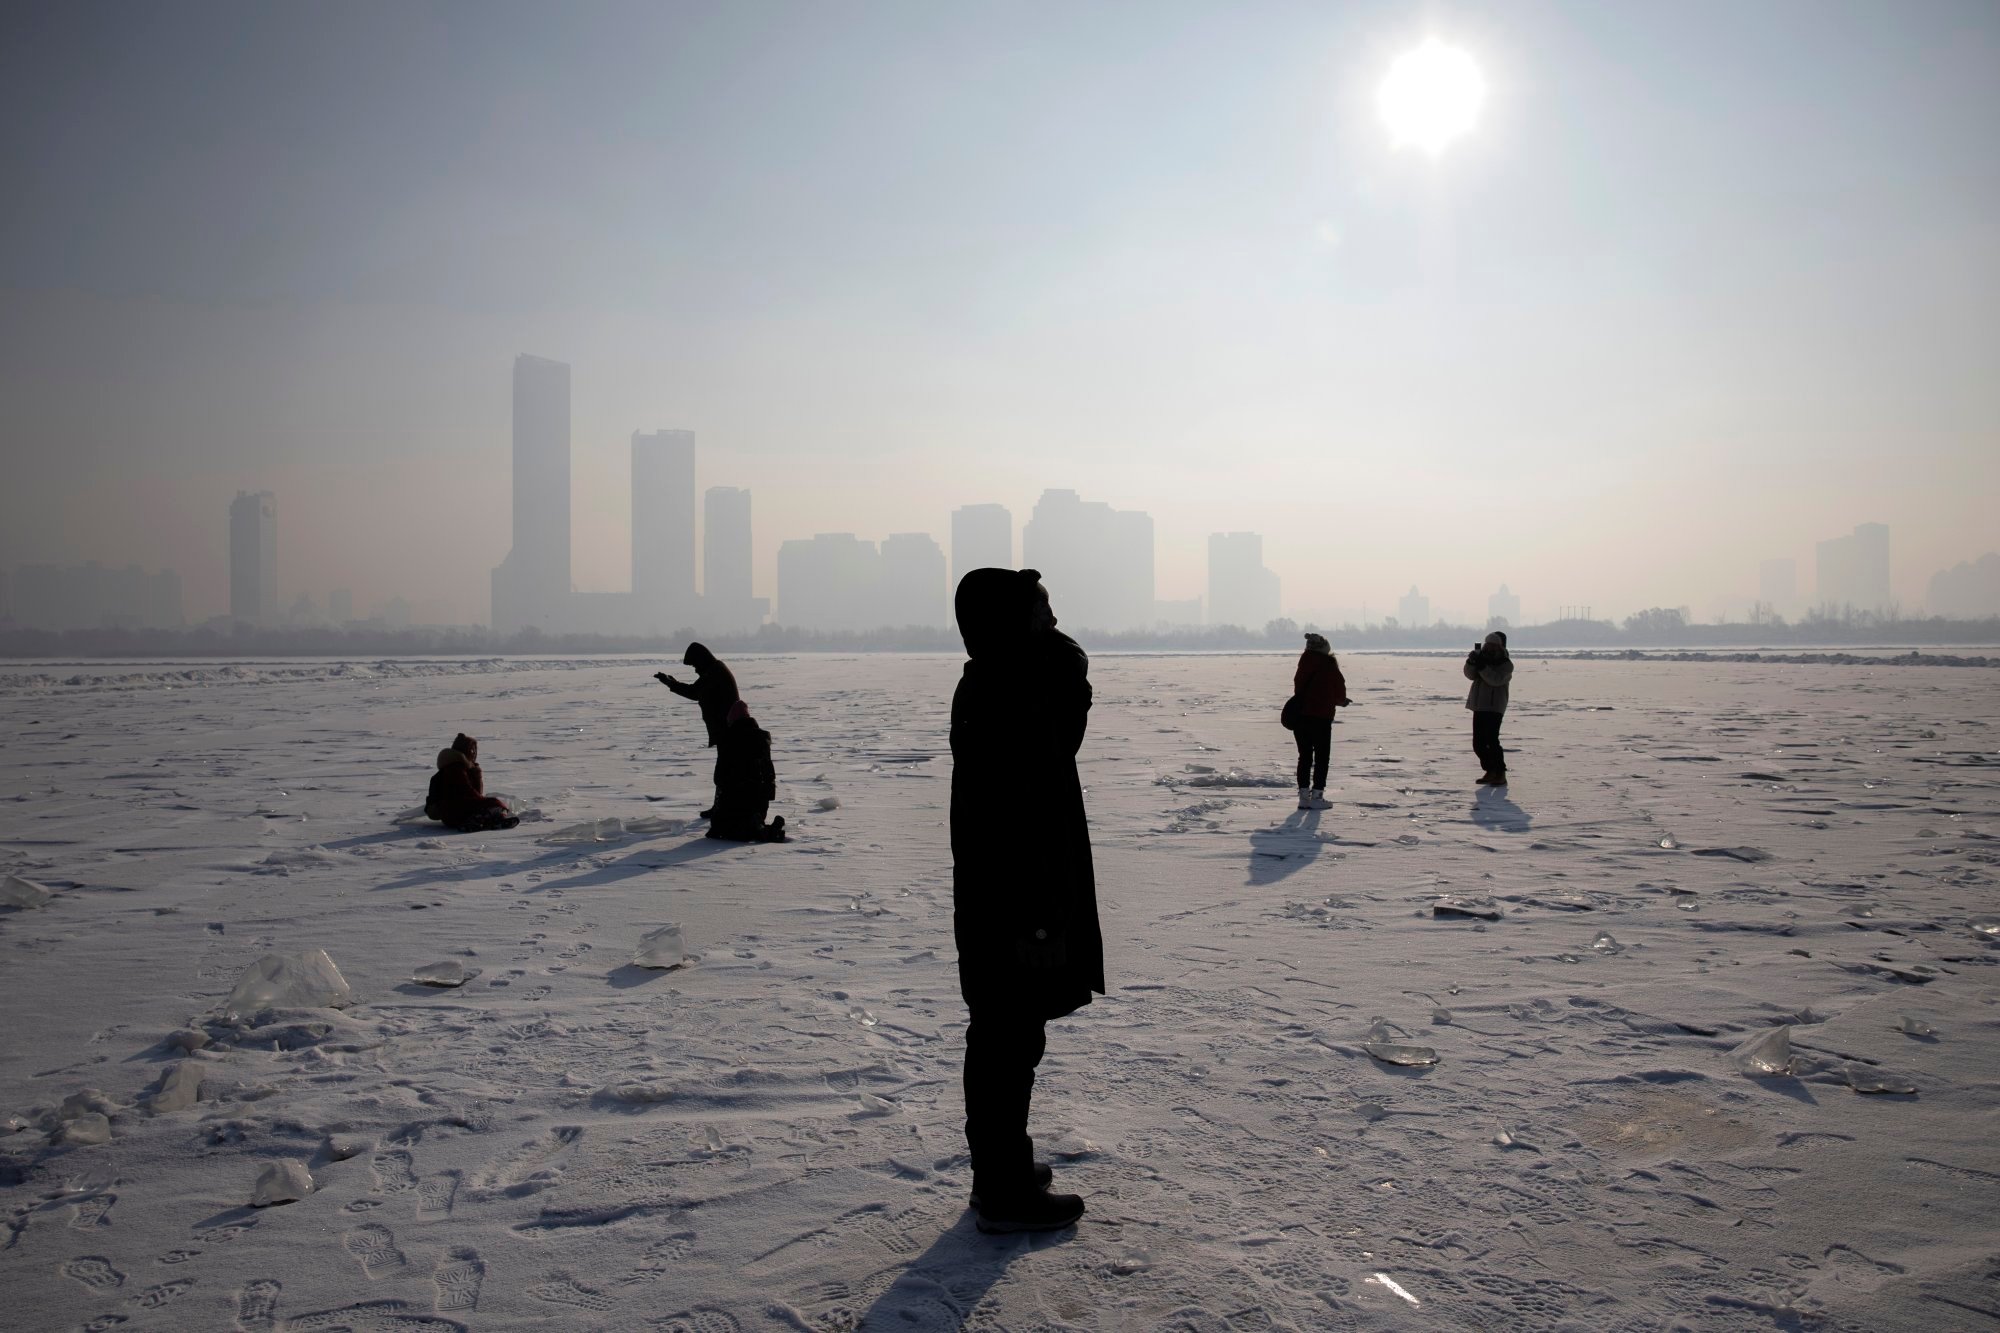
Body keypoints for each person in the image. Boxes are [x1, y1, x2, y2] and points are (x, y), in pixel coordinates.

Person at [950, 567, 1103, 1234]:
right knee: (1007, 1044)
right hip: (1015, 905)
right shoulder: (1014, 692)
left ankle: (1001, 1169)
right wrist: (1040, 922)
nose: (1055, 620)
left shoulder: (993, 678)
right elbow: (1025, 817)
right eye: (1042, 610)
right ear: (1014, 624)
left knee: (1005, 1039)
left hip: (999, 900)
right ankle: (1004, 1189)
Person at [654, 642, 740, 819]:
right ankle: (723, 806)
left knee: (725, 772)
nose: (694, 670)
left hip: (729, 730)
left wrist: (671, 683)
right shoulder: (713, 670)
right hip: (727, 729)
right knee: (726, 771)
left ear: (701, 660)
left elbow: (695, 692)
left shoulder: (715, 673)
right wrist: (672, 683)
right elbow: (696, 692)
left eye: (694, 665)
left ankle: (723, 808)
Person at [705, 701, 787, 843]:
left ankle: (758, 830)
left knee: (720, 830)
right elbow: (769, 772)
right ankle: (760, 827)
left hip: (736, 800)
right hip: (760, 802)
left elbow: (719, 777)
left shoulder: (728, 739)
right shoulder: (763, 738)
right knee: (745, 823)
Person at [1291, 632, 1350, 810]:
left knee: (1305, 756)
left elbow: (1299, 688)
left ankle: (1303, 797)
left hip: (1301, 716)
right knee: (1322, 757)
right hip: (1322, 717)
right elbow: (1339, 691)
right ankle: (1317, 796)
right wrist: (1341, 701)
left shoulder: (1303, 663)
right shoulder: (1329, 664)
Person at [424, 734, 519, 831]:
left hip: (452, 816)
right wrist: (488, 802)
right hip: (456, 812)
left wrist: (475, 772)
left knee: (492, 805)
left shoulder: (457, 768)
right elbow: (469, 793)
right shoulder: (456, 769)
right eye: (472, 750)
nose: (474, 754)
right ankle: (484, 820)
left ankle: (493, 820)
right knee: (495, 803)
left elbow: (475, 794)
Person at [1464, 631, 1514, 786]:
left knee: (1492, 741)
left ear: (1500, 647)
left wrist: (1482, 667)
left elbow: (1495, 680)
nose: (1489, 648)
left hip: (1494, 707)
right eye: (1487, 644)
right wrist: (1472, 662)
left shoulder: (1506, 664)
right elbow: (1470, 675)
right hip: (1479, 705)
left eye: (1493, 645)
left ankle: (1500, 773)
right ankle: (1490, 770)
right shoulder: (1482, 659)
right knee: (1478, 743)